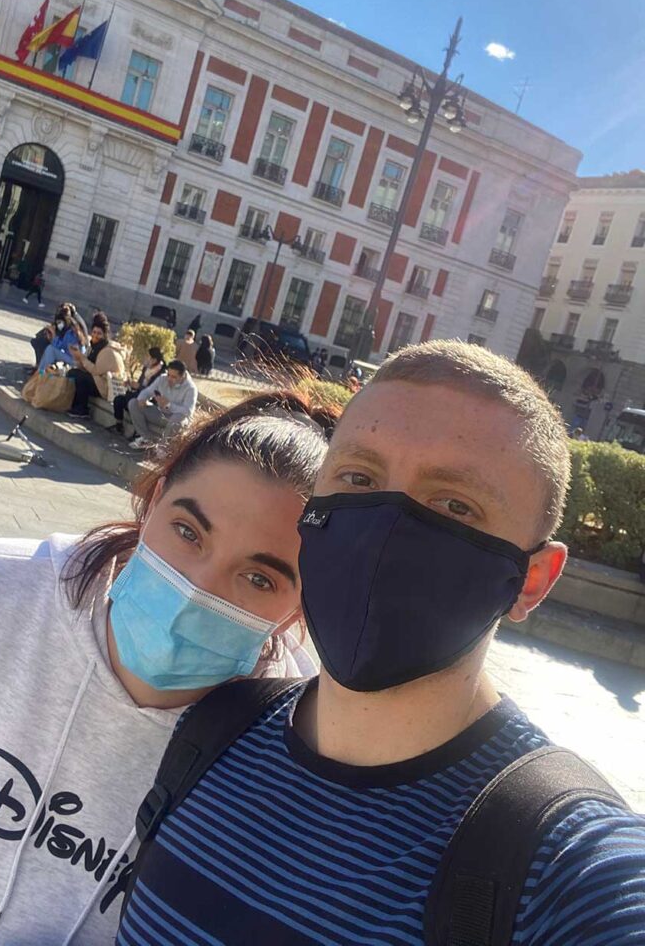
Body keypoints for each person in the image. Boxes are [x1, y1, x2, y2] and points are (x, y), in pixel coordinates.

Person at [117, 340, 645, 946]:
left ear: (532, 580)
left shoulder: (564, 866)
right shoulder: (214, 731)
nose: (383, 530)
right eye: (358, 478)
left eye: (454, 504)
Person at [0, 391, 338, 946]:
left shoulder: (286, 753)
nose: (198, 588)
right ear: (154, 500)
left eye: (259, 578)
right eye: (188, 532)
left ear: (299, 608)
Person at [127, 360, 197, 452]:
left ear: (182, 376)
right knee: (133, 403)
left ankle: (163, 447)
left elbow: (188, 411)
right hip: (160, 414)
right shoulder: (162, 378)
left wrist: (168, 405)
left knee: (178, 417)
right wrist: (142, 399)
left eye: (173, 377)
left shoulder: (191, 388)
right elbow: (148, 391)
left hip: (176, 420)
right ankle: (146, 439)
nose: (169, 379)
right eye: (168, 374)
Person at [66, 313, 125, 420]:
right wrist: (77, 356)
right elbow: (84, 366)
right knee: (73, 373)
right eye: (94, 332)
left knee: (81, 378)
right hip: (96, 380)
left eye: (99, 333)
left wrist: (82, 358)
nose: (95, 336)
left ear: (104, 335)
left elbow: (96, 371)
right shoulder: (93, 346)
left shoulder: (107, 351)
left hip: (105, 386)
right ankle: (74, 405)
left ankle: (82, 409)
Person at [109, 347, 166, 435]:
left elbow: (154, 391)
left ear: (154, 360)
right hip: (137, 394)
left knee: (133, 402)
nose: (145, 359)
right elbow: (140, 384)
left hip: (149, 400)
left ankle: (138, 432)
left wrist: (139, 387)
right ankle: (119, 425)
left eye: (148, 357)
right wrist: (131, 384)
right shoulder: (146, 369)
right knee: (118, 400)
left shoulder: (161, 374)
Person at [38, 306, 86, 372]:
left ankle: (41, 372)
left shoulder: (70, 334)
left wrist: (53, 334)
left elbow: (58, 347)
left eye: (59, 323)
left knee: (50, 349)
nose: (58, 325)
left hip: (74, 361)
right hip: (74, 359)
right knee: (50, 350)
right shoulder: (73, 332)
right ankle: (42, 371)